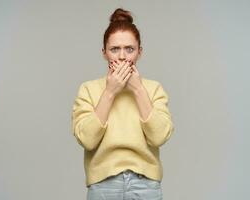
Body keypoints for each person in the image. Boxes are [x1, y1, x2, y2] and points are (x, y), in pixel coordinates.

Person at [71, 7, 175, 200]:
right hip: (103, 183)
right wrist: (110, 92)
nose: (122, 57)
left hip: (146, 183)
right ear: (104, 53)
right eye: (114, 49)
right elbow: (87, 139)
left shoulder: (153, 89)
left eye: (129, 49)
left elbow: (160, 136)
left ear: (139, 52)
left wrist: (137, 89)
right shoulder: (88, 89)